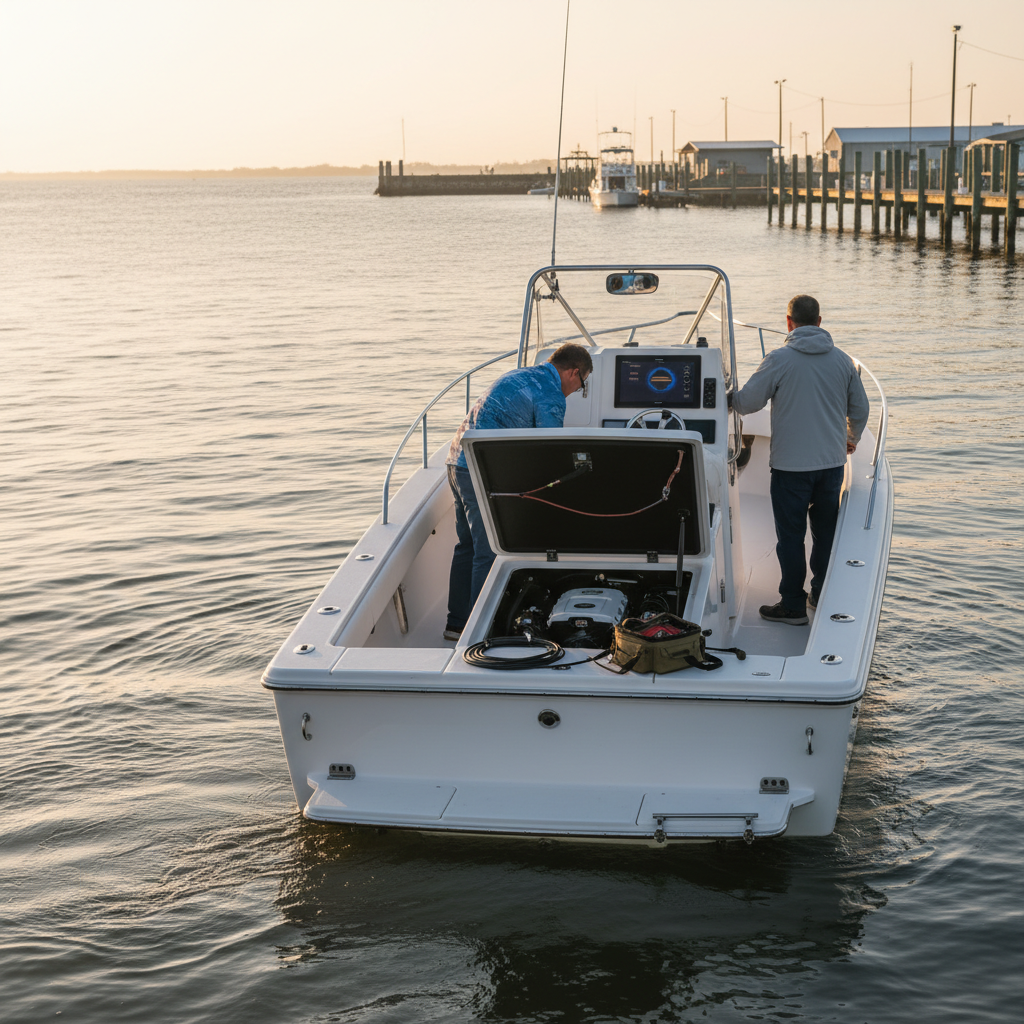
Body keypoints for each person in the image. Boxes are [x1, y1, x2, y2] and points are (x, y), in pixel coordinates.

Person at [730, 295, 869, 625]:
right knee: (824, 534)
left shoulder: (778, 359)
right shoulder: (842, 361)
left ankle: (792, 604)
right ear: (820, 321)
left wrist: (727, 396)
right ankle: (819, 593)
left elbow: (747, 404)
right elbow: (860, 410)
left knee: (790, 537)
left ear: (788, 322)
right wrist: (851, 438)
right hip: (831, 465)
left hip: (791, 469)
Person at [443, 342, 594, 641]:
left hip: (455, 463)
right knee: (488, 552)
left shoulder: (518, 375)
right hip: (479, 470)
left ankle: (456, 624)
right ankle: (476, 634)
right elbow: (550, 453)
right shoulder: (551, 394)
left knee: (467, 547)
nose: (576, 391)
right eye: (581, 385)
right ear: (574, 372)